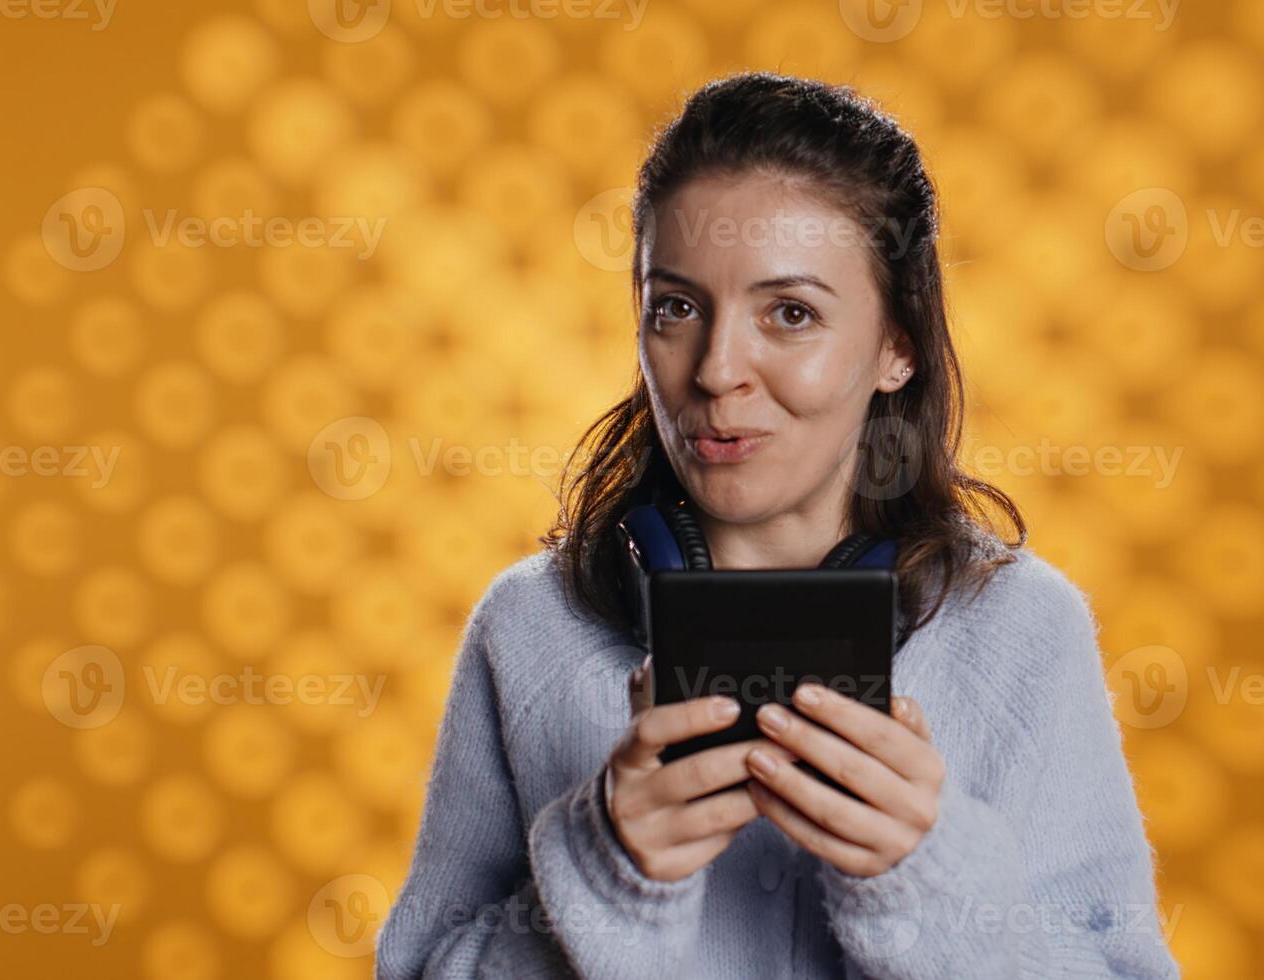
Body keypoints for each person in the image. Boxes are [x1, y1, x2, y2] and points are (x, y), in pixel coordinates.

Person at [376, 71, 1179, 980]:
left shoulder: (1024, 630)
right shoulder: (528, 629)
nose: (717, 370)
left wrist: (928, 877)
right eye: (675, 308)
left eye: (790, 313)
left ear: (896, 347)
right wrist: (605, 867)